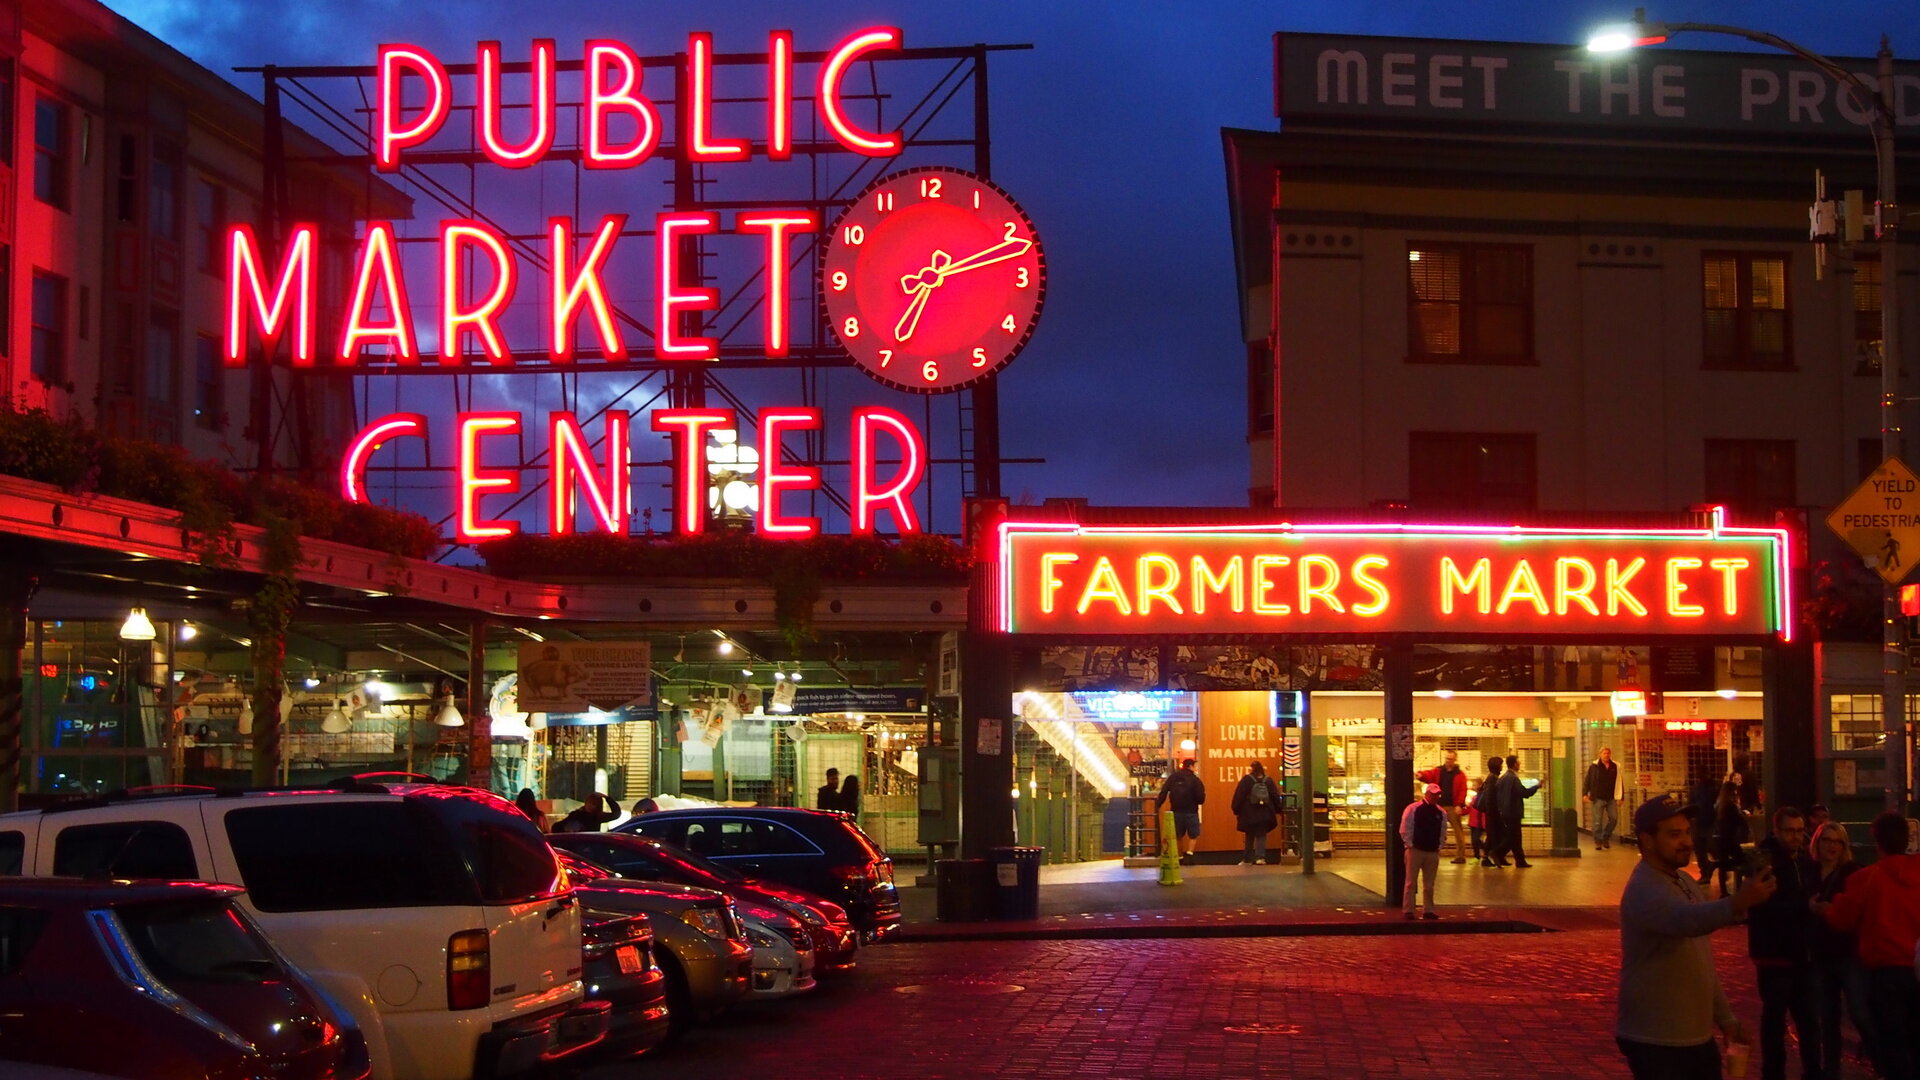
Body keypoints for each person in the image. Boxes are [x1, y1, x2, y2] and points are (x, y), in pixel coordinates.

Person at [1617, 794, 1776, 1080]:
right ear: (1647, 840)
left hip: (1694, 1039)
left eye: (1687, 832)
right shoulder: (1646, 888)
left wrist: (1726, 1020)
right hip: (1657, 1040)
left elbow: (1701, 962)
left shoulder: (1684, 881)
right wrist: (1737, 903)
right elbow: (1687, 921)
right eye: (1674, 834)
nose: (1687, 842)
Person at [1823, 811, 1920, 1080]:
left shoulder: (1867, 878)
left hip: (1886, 973)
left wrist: (1825, 910)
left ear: (1877, 841)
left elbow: (1841, 920)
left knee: (1893, 1043)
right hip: (1917, 968)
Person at [1745, 807, 1821, 1080]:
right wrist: (1804, 906)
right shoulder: (1765, 860)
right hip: (1775, 951)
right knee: (1775, 1018)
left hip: (1802, 951)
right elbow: (1764, 906)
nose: (1796, 837)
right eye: (1790, 831)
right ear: (1776, 830)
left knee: (1808, 1018)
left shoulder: (1803, 860)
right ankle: (1774, 1072)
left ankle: (1813, 1071)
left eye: (1800, 831)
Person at [1807, 821, 1878, 1080]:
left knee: (1860, 1011)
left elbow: (1861, 910)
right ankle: (1831, 1070)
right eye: (1827, 840)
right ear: (1817, 842)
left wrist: (1831, 911)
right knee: (1827, 1017)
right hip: (1820, 954)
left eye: (1837, 841)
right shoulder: (1809, 871)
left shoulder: (1851, 872)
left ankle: (1883, 1061)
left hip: (1848, 953)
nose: (1832, 846)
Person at [1400, 782, 1447, 920]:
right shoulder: (1416, 809)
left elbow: (1442, 832)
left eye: (1437, 795)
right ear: (1427, 794)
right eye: (1433, 795)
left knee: (1427, 884)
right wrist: (1409, 844)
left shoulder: (1439, 812)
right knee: (1412, 882)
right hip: (1417, 849)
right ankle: (1411, 909)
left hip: (1428, 850)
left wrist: (1439, 846)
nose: (1436, 797)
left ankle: (1425, 910)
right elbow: (1405, 828)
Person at [1417, 750, 1471, 863]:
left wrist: (1459, 805)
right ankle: (1431, 851)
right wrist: (1421, 775)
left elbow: (1462, 790)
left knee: (1458, 832)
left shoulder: (1460, 775)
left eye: (1450, 759)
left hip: (1452, 806)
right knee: (1434, 829)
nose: (1448, 761)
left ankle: (1460, 856)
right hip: (1438, 806)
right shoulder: (1439, 771)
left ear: (1454, 760)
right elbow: (1429, 775)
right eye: (1447, 758)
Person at [1154, 758, 1207, 865]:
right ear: (1191, 766)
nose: (1196, 768)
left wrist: (1158, 805)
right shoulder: (1195, 780)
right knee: (1193, 835)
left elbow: (1164, 791)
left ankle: (1180, 856)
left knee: (1178, 835)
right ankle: (1189, 854)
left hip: (1176, 810)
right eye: (1195, 766)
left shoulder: (1173, 777)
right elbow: (1201, 798)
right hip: (1191, 811)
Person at [1229, 761, 1282, 866]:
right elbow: (1275, 796)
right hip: (1265, 812)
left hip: (1249, 812)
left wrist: (1236, 809)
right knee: (1261, 835)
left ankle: (1247, 859)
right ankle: (1260, 857)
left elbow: (1239, 796)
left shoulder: (1247, 780)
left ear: (1252, 769)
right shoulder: (1268, 780)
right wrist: (1279, 809)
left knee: (1249, 835)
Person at [1493, 754, 1537, 868]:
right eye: (1518, 762)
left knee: (1515, 838)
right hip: (1513, 812)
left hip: (1505, 812)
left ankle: (1520, 861)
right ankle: (1498, 853)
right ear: (1514, 764)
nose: (1520, 764)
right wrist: (1537, 786)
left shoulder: (1503, 778)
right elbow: (1524, 793)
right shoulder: (1513, 778)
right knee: (1513, 837)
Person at [1711, 782, 1750, 898]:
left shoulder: (1718, 805)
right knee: (1744, 862)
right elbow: (1741, 821)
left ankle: (1724, 891)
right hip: (1730, 840)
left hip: (1720, 839)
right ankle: (1742, 889)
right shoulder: (1731, 806)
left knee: (1722, 866)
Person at [1584, 746, 1624, 851]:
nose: (1606, 755)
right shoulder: (1594, 766)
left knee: (1614, 819)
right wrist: (1585, 793)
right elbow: (1588, 780)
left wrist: (1621, 796)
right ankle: (1598, 841)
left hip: (1611, 797)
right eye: (1604, 753)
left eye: (1608, 753)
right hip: (1598, 797)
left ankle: (1606, 836)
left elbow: (1619, 782)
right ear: (1600, 754)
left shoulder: (1615, 766)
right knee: (1597, 821)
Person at [1477, 757, 1506, 868]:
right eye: (1500, 765)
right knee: (1496, 835)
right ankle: (1494, 855)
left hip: (1492, 812)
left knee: (1492, 836)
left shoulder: (1492, 778)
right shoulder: (1492, 779)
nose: (1502, 767)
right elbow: (1490, 797)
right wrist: (1493, 812)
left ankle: (1486, 857)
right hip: (1492, 813)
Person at [552, 792, 622, 833]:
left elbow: (616, 813)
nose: (590, 806)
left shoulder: (596, 817)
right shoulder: (576, 814)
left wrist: (607, 798)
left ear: (598, 806)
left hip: (590, 846)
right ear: (586, 803)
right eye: (589, 803)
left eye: (594, 804)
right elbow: (556, 827)